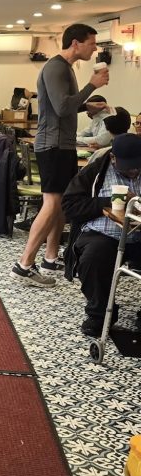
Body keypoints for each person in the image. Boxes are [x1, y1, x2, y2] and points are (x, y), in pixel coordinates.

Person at [11, 23, 109, 287]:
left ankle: (50, 257)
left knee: (62, 202)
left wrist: (87, 105)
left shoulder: (66, 68)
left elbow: (65, 106)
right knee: (52, 203)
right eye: (91, 43)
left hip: (62, 144)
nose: (95, 49)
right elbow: (62, 107)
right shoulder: (55, 67)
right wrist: (91, 85)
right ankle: (24, 265)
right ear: (76, 43)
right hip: (52, 144)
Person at [62, 133, 141, 336]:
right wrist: (108, 202)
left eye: (137, 166)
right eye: (128, 167)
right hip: (104, 233)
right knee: (93, 258)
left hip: (138, 235)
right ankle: (100, 314)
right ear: (113, 158)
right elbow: (70, 205)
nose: (133, 171)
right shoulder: (96, 170)